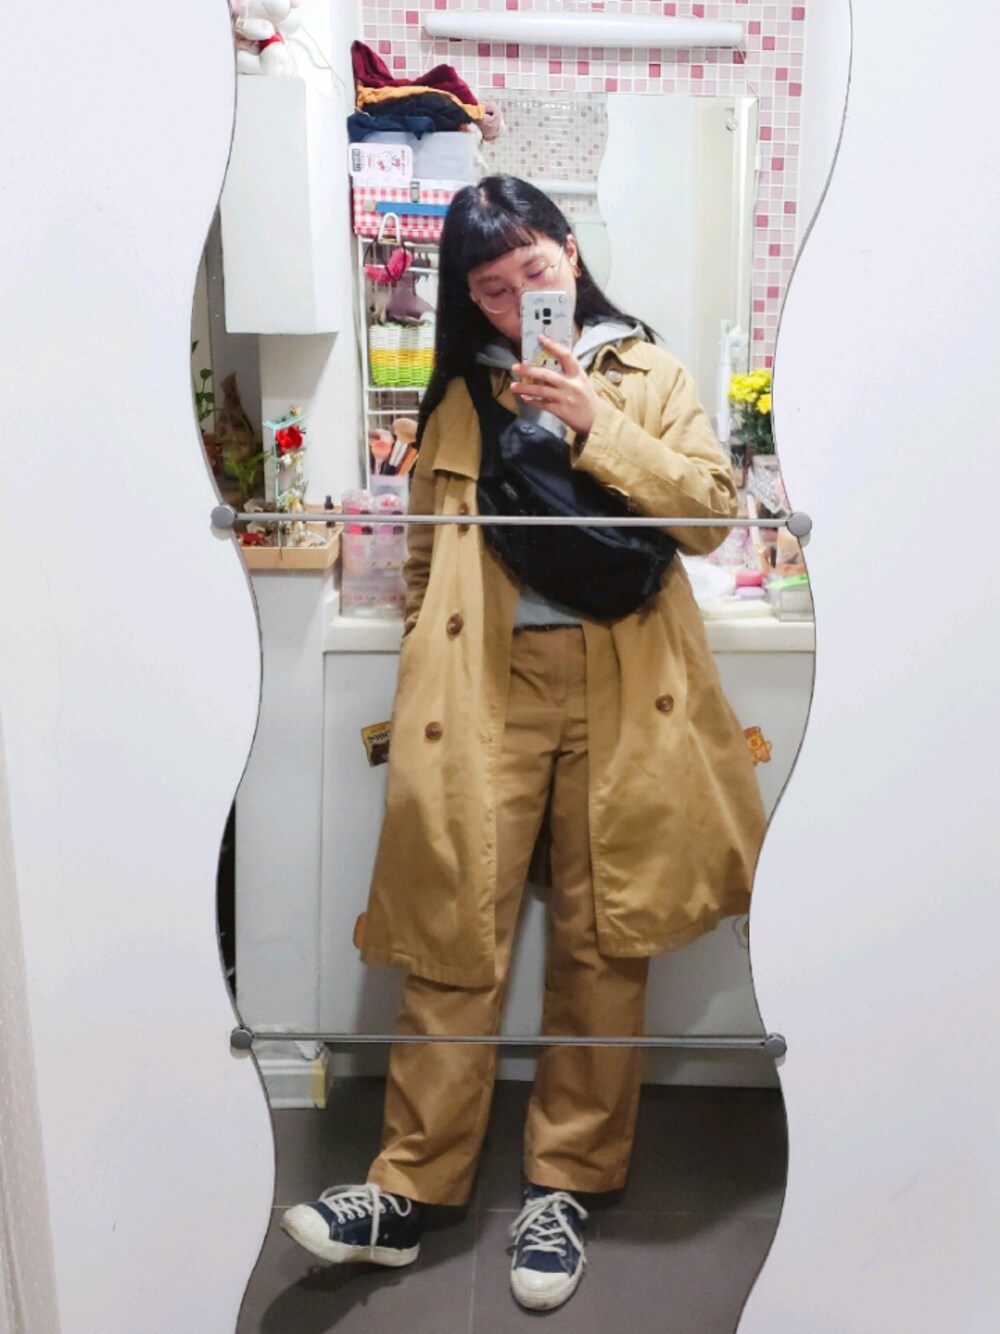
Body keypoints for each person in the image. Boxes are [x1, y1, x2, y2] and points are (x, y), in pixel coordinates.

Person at [281, 175, 767, 1312]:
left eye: (531, 274)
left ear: (568, 251)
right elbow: (423, 555)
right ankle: (407, 1187)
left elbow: (708, 515)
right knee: (454, 926)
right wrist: (421, 651)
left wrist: (598, 424)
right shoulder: (459, 395)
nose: (514, 303)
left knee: (606, 936)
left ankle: (566, 1184)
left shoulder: (648, 373)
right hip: (481, 683)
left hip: (622, 678)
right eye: (490, 291)